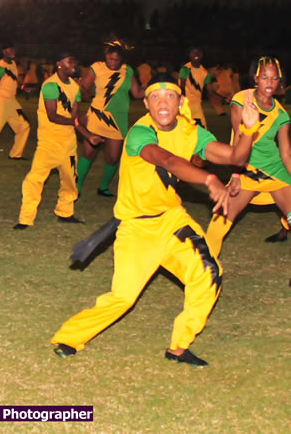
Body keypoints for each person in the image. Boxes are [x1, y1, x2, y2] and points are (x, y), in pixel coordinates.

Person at [51, 73, 259, 367]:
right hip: (136, 227)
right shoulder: (140, 133)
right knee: (123, 298)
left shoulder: (191, 131)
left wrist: (248, 130)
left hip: (172, 220)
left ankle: (179, 346)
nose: (164, 103)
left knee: (209, 274)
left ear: (181, 102)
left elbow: (236, 156)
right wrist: (209, 178)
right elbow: (168, 161)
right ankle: (69, 337)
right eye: (156, 97)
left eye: (171, 96)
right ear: (146, 103)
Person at [205, 56, 291, 254]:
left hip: (275, 172)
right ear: (255, 78)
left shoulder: (282, 116)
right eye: (264, 77)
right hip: (246, 171)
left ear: (280, 81)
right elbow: (238, 141)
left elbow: (286, 153)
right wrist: (235, 174)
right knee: (219, 222)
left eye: (274, 78)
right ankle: (205, 272)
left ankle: (284, 227)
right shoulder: (242, 100)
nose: (270, 82)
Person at [15, 52, 102, 229]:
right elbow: (53, 116)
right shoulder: (50, 86)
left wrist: (88, 135)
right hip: (49, 143)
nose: (74, 65)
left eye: (75, 61)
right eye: (70, 61)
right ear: (59, 64)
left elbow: (74, 117)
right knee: (34, 180)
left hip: (68, 143)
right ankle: (25, 219)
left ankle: (65, 212)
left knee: (70, 180)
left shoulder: (75, 88)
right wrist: (77, 121)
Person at [76, 41, 144, 197]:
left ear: (122, 60)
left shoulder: (128, 71)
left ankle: (103, 187)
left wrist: (155, 87)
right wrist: (79, 86)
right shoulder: (97, 67)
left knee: (113, 157)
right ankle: (76, 187)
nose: (113, 63)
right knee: (89, 152)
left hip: (118, 119)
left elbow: (137, 93)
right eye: (110, 59)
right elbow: (85, 87)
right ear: (106, 56)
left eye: (116, 60)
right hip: (98, 114)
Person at [0, 42, 31, 160]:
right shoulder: (0, 66)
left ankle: (16, 154)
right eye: (10, 50)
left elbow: (14, 79)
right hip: (2, 101)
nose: (13, 52)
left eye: (14, 49)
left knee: (24, 126)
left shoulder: (13, 63)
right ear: (4, 52)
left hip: (12, 101)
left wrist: (24, 87)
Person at [179, 47, 227, 129]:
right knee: (183, 130)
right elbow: (182, 87)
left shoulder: (205, 73)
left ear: (202, 55)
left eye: (198, 52)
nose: (196, 54)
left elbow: (210, 92)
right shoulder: (185, 69)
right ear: (189, 55)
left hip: (197, 106)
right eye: (193, 52)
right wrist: (181, 101)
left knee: (203, 130)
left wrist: (223, 98)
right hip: (185, 105)